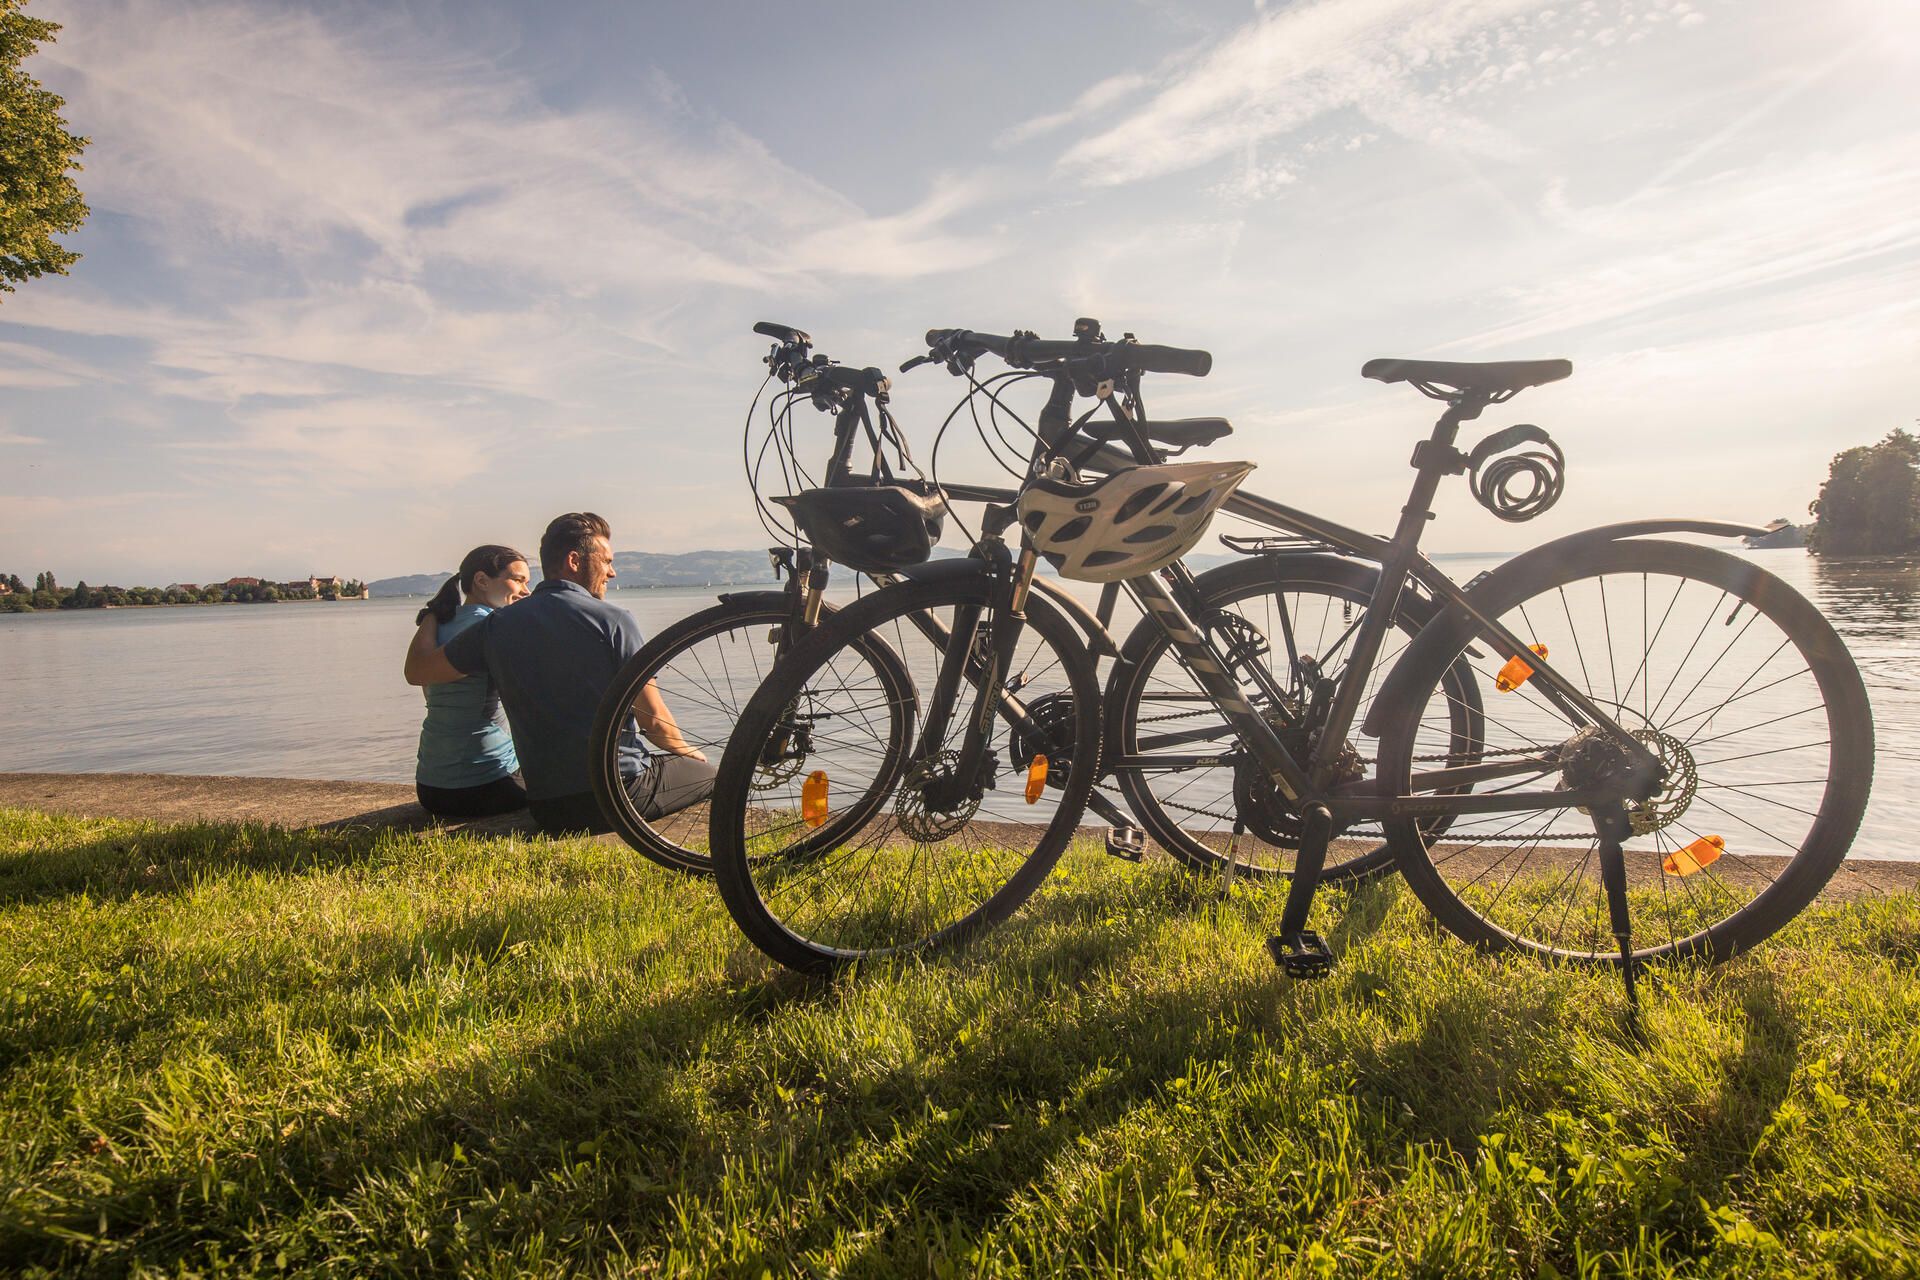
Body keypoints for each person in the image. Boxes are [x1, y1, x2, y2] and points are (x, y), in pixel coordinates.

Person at [403, 512, 715, 836]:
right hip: (620, 797)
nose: (612, 571)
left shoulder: (495, 626)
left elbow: (419, 671)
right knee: (711, 773)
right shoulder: (614, 621)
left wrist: (433, 616)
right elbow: (654, 721)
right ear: (574, 561)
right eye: (606, 561)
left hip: (547, 809)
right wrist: (692, 754)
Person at [405, 545, 531, 818]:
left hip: (430, 788)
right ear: (482, 580)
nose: (526, 591)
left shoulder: (440, 623)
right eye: (518, 580)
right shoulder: (493, 627)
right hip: (487, 787)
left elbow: (428, 690)